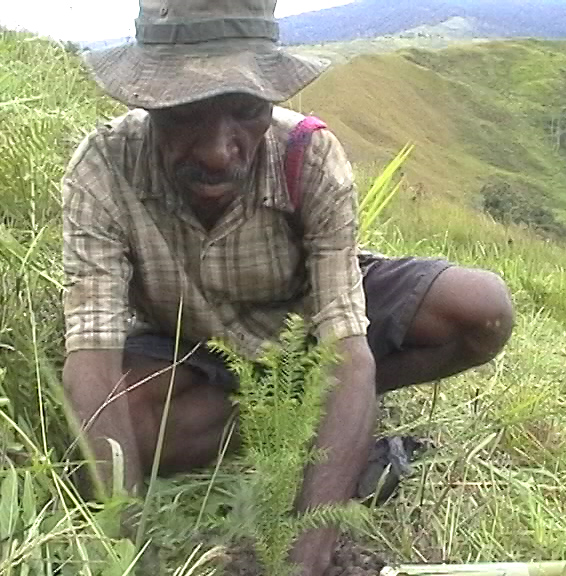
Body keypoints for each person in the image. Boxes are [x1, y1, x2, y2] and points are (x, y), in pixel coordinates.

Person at [61, 0, 514, 574]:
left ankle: (318, 418)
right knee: (123, 428)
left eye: (246, 111)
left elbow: (347, 352)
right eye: (183, 113)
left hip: (306, 321)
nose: (217, 150)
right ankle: (309, 424)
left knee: (481, 311)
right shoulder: (103, 168)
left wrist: (306, 556)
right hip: (193, 348)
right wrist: (120, 545)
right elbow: (92, 350)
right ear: (148, 102)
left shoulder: (310, 157)